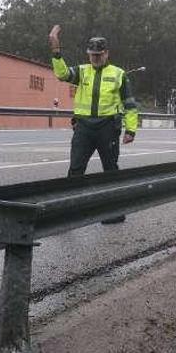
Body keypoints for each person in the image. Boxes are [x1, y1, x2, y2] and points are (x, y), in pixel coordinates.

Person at [48, 25, 138, 223]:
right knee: (76, 169)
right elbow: (62, 75)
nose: (95, 58)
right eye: (92, 55)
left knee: (110, 170)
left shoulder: (119, 74)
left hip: (108, 127)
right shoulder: (82, 71)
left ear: (106, 54)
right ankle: (67, 211)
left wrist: (131, 129)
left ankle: (114, 212)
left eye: (99, 54)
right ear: (88, 54)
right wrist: (56, 51)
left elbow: (129, 104)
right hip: (84, 128)